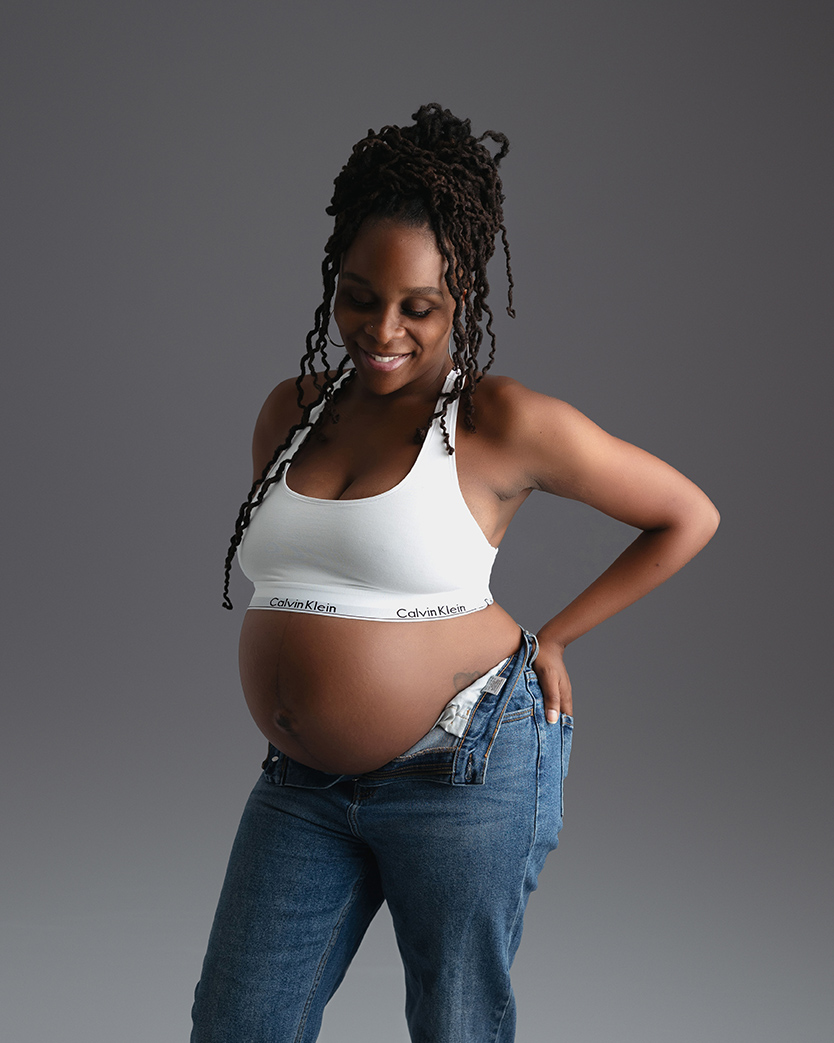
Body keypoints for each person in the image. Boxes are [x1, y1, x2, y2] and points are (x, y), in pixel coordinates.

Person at [191, 103, 719, 1043]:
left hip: (461, 765)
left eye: (417, 307)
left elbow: (687, 514)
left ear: (462, 294)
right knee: (237, 1025)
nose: (380, 328)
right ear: (332, 283)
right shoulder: (291, 411)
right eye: (358, 296)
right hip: (301, 782)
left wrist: (555, 635)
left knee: (456, 1025)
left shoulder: (496, 420)